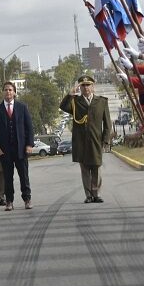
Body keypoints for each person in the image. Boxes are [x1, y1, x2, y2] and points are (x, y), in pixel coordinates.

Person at [59, 75, 112, 204]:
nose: (86, 88)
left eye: (88, 85)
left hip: (96, 140)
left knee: (96, 167)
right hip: (81, 141)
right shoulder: (75, 101)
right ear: (80, 87)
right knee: (85, 169)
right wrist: (70, 94)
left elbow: (107, 123)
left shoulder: (102, 101)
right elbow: (63, 107)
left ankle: (96, 194)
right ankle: (88, 195)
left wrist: (105, 141)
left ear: (93, 86)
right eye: (83, 85)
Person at [0, 82, 34, 211]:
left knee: (24, 176)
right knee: (7, 177)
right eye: (5, 90)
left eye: (10, 90)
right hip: (5, 150)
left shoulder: (22, 107)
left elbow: (29, 128)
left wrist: (29, 144)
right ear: (2, 92)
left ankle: (27, 199)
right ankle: (9, 201)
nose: (8, 92)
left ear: (14, 92)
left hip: (21, 148)